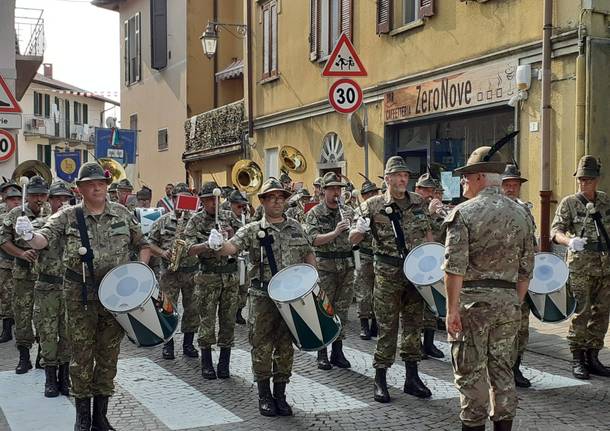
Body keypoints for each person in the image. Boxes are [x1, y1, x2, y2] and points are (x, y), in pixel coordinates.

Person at [14, 162, 150, 431]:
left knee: (108, 357)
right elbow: (44, 239)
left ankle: (101, 417)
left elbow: (142, 244)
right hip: (80, 296)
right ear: (80, 188)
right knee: (81, 357)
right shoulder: (68, 215)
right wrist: (28, 234)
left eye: (101, 182)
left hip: (116, 299)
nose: (97, 187)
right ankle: (82, 417)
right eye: (90, 183)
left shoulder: (122, 213)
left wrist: (141, 272)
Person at [443, 147, 535, 431]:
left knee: (471, 374)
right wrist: (514, 302)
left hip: (473, 304)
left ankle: (473, 425)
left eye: (467, 177)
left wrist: (451, 310)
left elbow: (454, 267)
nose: (464, 183)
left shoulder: (464, 213)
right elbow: (527, 268)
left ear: (480, 176)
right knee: (503, 371)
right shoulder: (522, 213)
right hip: (508, 302)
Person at [208, 177, 316, 417]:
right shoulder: (253, 229)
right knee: (262, 346)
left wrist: (313, 281)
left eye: (281, 198)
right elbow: (232, 248)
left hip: (292, 297)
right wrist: (217, 244)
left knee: (286, 346)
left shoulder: (297, 227)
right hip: (263, 295)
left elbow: (309, 254)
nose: (278, 202)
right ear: (264, 201)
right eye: (272, 198)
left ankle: (281, 394)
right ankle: (264, 395)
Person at [350, 157, 433, 403]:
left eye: (406, 176)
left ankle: (412, 378)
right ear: (387, 179)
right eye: (398, 176)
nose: (403, 180)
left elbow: (427, 231)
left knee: (413, 326)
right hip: (387, 274)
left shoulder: (418, 201)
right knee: (387, 328)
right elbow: (352, 239)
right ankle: (381, 379)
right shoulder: (372, 205)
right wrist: (360, 230)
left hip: (415, 274)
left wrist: (431, 258)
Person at [551, 155, 610, 380]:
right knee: (581, 313)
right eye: (581, 180)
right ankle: (578, 360)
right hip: (581, 267)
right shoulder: (569, 202)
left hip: (605, 267)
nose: (584, 183)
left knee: (602, 313)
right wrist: (569, 241)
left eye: (588, 180)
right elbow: (555, 232)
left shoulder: (605, 201)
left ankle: (593, 357)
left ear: (597, 180)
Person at [185, 181, 239, 381]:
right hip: (208, 276)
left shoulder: (228, 217)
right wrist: (207, 244)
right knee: (207, 320)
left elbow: (243, 239)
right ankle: (206, 362)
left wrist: (231, 236)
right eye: (208, 200)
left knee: (228, 320)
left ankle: (224, 363)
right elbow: (188, 249)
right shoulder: (196, 221)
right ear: (202, 201)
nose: (213, 204)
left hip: (229, 276)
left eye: (215, 200)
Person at [304, 172, 355, 370]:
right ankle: (322, 352)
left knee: (342, 310)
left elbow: (356, 239)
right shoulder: (315, 213)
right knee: (324, 309)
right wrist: (335, 232)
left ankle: (338, 351)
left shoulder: (348, 211)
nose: (336, 192)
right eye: (332, 188)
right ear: (323, 191)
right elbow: (313, 240)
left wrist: (358, 228)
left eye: (338, 189)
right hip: (325, 268)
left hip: (346, 266)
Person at [0, 176, 50, 374]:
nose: (39, 199)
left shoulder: (52, 213)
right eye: (34, 195)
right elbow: (3, 239)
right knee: (22, 315)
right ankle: (23, 357)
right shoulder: (15, 213)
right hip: (22, 272)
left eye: (42, 195)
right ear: (27, 196)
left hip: (46, 273)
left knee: (45, 317)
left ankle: (42, 356)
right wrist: (21, 252)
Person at [148, 183, 200, 360]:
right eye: (179, 199)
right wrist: (163, 252)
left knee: (192, 309)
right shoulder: (162, 221)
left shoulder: (196, 220)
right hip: (169, 273)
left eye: (186, 198)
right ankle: (167, 344)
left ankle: (188, 344)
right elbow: (149, 243)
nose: (182, 202)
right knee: (167, 309)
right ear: (173, 199)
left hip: (191, 271)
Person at [33, 181, 73, 397]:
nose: (61, 202)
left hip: (69, 286)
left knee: (67, 332)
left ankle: (64, 377)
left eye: (65, 198)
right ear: (50, 200)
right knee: (47, 332)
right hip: (47, 286)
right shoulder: (41, 224)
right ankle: (50, 377)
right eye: (57, 198)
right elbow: (30, 240)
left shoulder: (76, 225)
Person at [501, 163, 537, 388]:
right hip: (501, 279)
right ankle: (501, 369)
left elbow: (532, 243)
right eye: (507, 184)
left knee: (521, 327)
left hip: (521, 277)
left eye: (515, 184)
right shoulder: (495, 210)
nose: (512, 188)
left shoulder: (525, 211)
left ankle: (515, 367)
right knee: (502, 328)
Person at [413, 172, 446, 359]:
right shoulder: (413, 207)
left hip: (436, 262)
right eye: (425, 190)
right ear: (417, 189)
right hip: (418, 262)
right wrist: (430, 214)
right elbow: (415, 232)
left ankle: (429, 343)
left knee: (433, 304)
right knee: (415, 306)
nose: (430, 194)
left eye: (432, 191)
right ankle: (415, 343)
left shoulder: (438, 209)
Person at [353, 180, 380, 340]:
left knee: (378, 291)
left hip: (378, 255)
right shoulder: (358, 211)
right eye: (369, 193)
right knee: (363, 290)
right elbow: (353, 239)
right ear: (363, 196)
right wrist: (361, 228)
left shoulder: (382, 210)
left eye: (374, 193)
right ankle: (364, 324)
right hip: (362, 255)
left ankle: (375, 323)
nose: (372, 196)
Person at [221, 190, 251, 325]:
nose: (241, 209)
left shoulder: (244, 218)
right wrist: (232, 233)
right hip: (231, 259)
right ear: (230, 205)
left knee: (244, 287)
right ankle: (231, 314)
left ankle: (239, 311)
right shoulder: (225, 219)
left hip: (244, 258)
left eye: (243, 206)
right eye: (238, 206)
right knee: (233, 288)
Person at [0, 183, 23, 343]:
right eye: (11, 199)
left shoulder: (25, 215)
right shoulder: (2, 218)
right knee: (6, 297)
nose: (15, 202)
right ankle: (7, 330)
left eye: (18, 199)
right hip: (5, 264)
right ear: (5, 200)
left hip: (23, 264)